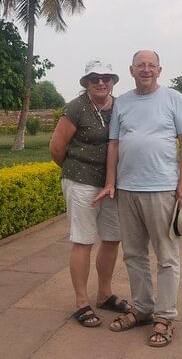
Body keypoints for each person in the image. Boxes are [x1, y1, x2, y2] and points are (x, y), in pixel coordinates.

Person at [96, 50, 182, 348]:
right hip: (127, 189)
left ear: (159, 70)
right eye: (141, 65)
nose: (146, 69)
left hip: (162, 188)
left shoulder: (173, 98)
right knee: (134, 254)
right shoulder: (123, 102)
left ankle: (164, 316)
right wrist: (111, 182)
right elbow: (114, 144)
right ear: (131, 70)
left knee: (166, 256)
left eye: (151, 65)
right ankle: (141, 308)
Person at [49, 59, 132, 328]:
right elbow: (56, 148)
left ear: (113, 82)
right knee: (83, 240)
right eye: (95, 78)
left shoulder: (118, 106)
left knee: (112, 238)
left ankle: (104, 294)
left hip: (111, 183)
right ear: (86, 82)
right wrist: (77, 169)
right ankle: (81, 302)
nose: (101, 82)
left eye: (106, 78)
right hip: (82, 181)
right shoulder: (77, 108)